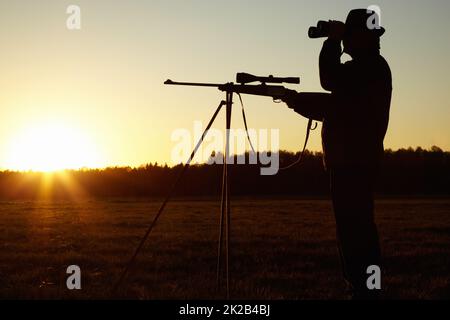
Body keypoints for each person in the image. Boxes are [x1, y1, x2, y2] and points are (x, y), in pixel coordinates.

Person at [282, 9, 392, 299]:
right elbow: (338, 106)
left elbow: (330, 81)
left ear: (358, 37)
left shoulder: (370, 67)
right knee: (354, 232)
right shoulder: (368, 68)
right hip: (352, 161)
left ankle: (367, 289)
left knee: (358, 233)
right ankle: (363, 288)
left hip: (353, 162)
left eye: (347, 37)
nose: (344, 43)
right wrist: (297, 101)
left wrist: (330, 42)